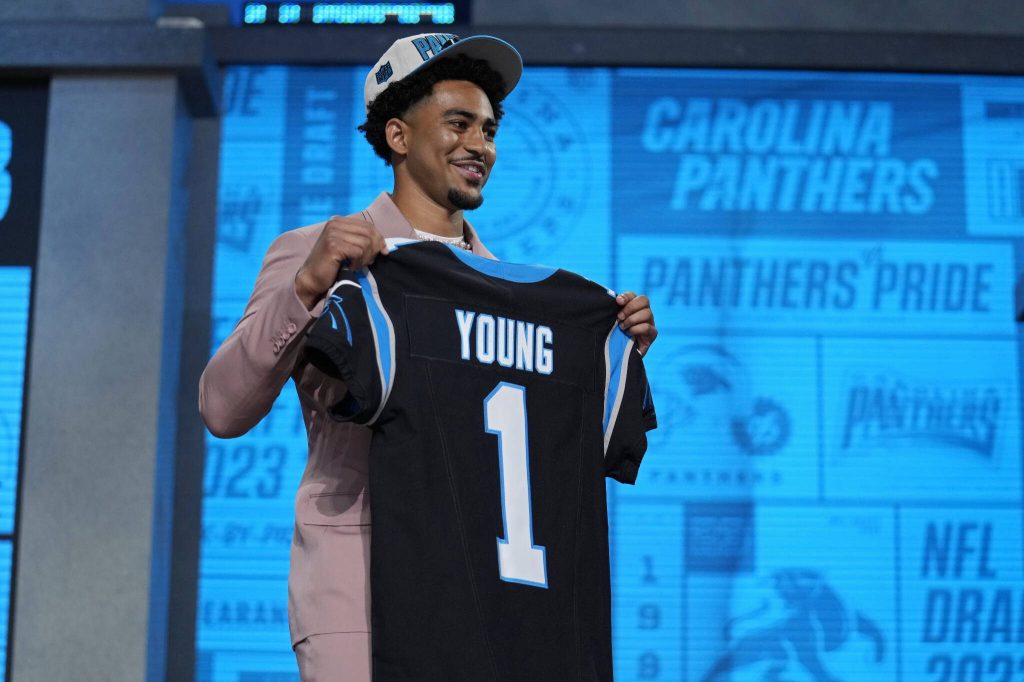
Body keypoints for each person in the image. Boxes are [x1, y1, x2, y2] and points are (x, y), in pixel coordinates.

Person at [198, 32, 658, 681]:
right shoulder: (317, 251)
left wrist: (614, 348)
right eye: (458, 123)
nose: (480, 145)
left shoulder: (521, 298)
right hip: (359, 592)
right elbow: (221, 408)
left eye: (489, 130)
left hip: (490, 601)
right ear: (398, 135)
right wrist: (305, 287)